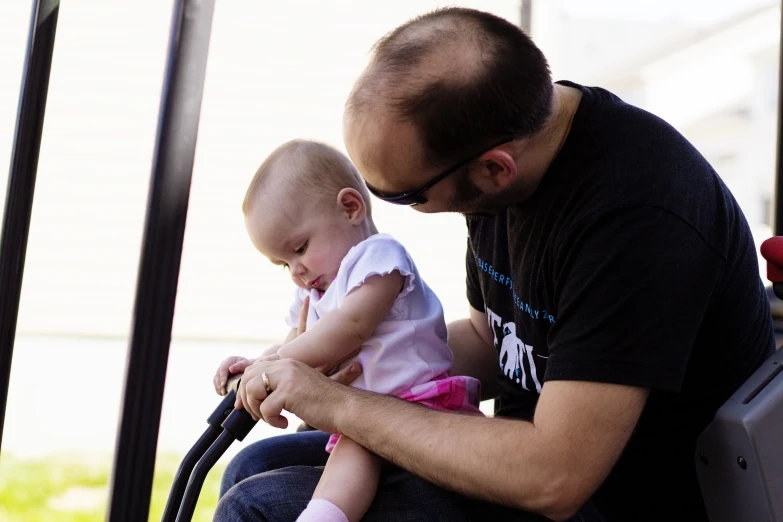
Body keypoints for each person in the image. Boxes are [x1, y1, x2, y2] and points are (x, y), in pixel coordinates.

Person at [215, 7, 775, 522]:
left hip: (615, 497)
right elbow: (493, 339)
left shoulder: (637, 215)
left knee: (260, 505)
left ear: (494, 169)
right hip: (523, 451)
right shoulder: (498, 157)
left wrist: (341, 405)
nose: (383, 213)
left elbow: (555, 476)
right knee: (253, 466)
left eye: (405, 196)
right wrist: (348, 360)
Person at [214, 138, 482, 522]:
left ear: (351, 207)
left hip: (419, 408)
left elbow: (351, 328)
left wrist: (279, 367)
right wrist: (257, 365)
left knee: (354, 455)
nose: (296, 271)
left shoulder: (378, 258)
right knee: (350, 452)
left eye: (300, 248)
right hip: (365, 416)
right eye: (282, 263)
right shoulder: (316, 289)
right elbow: (296, 342)